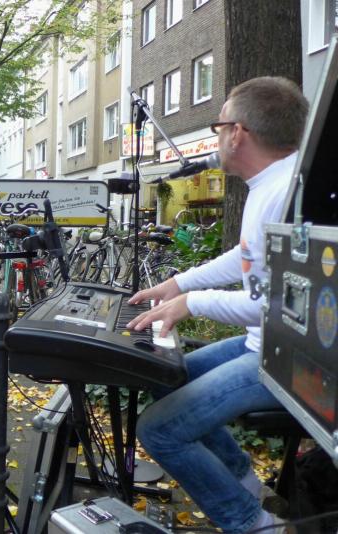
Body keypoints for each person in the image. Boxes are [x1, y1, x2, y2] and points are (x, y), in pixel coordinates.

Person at [127, 77, 309, 534]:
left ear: (237, 133)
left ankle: (256, 525)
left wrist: (193, 302)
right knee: (166, 376)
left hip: (288, 361)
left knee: (159, 430)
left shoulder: (285, 193)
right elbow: (246, 255)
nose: (217, 137)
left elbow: (282, 305)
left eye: (218, 126)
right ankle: (249, 488)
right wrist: (176, 284)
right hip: (264, 345)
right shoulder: (271, 184)